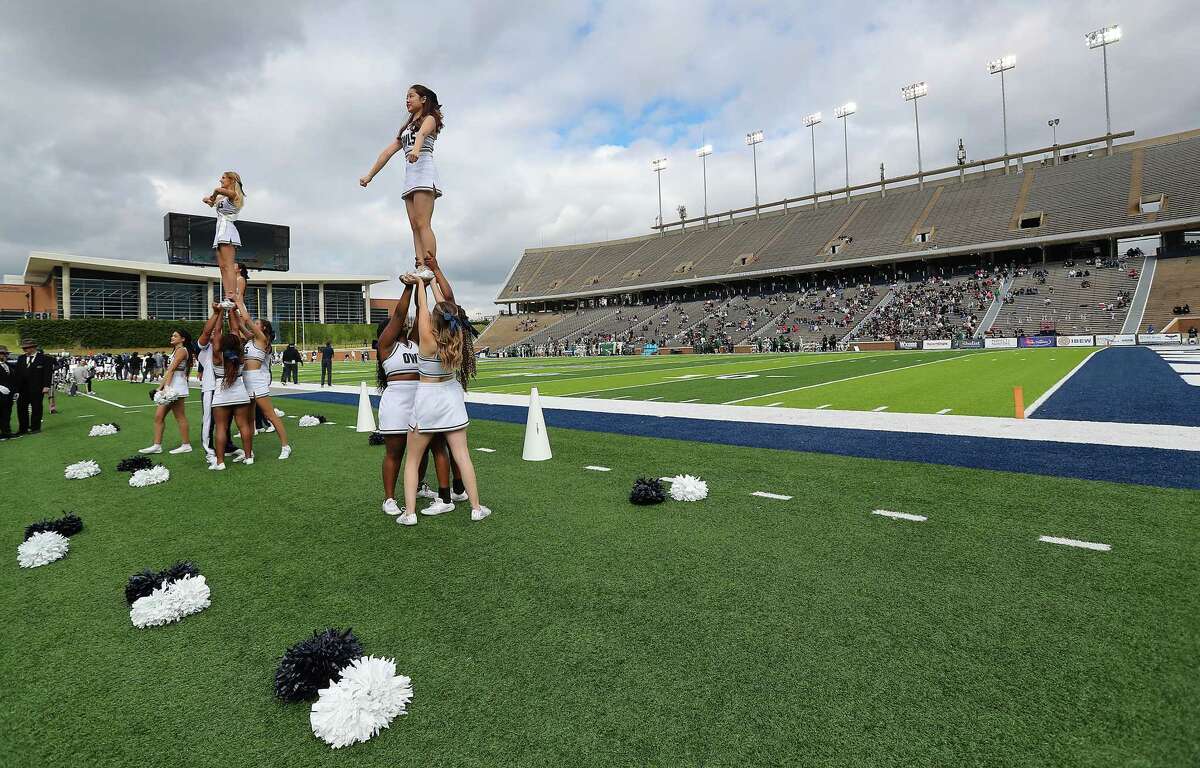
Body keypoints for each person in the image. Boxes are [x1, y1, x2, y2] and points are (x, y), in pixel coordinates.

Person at [400, 271, 490, 526]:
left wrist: (421, 284)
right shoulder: (459, 334)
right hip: (451, 396)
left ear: (435, 319)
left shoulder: (427, 338)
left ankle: (410, 513)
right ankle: (475, 508)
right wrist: (433, 284)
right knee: (462, 455)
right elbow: (444, 309)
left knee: (413, 460)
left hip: (427, 398)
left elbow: (423, 306)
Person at [360, 84, 444, 273]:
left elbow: (422, 133)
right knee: (414, 225)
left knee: (423, 223)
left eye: (411, 96)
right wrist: (369, 175)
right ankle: (420, 264)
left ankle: (430, 265)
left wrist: (415, 150)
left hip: (423, 171)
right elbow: (388, 152)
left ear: (423, 99)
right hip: (410, 177)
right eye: (406, 97)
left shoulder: (430, 118)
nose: (407, 100)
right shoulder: (406, 127)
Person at [375, 276, 419, 517]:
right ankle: (389, 498)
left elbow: (421, 313)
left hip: (418, 402)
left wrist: (423, 282)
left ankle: (420, 486)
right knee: (395, 452)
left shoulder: (413, 343)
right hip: (396, 404)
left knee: (419, 451)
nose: (399, 324)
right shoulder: (386, 345)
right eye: (392, 324)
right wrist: (408, 287)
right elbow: (401, 315)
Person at [231, 296, 292, 459]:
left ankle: (286, 446)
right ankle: (248, 453)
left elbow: (247, 320)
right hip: (245, 379)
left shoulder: (262, 339)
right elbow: (240, 324)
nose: (254, 325)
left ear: (263, 328)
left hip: (256, 379)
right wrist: (232, 310)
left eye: (258, 324)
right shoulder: (251, 339)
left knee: (269, 414)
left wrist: (238, 302)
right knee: (249, 418)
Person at [210, 313, 254, 471]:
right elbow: (235, 330)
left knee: (221, 428)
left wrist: (220, 312)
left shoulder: (217, 355)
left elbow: (217, 330)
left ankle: (220, 462)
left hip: (221, 395)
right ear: (237, 344)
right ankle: (248, 457)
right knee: (243, 426)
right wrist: (232, 312)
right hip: (241, 393)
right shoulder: (240, 354)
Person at [139, 329, 194, 455]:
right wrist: (161, 388)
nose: (172, 337)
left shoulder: (181, 350)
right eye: (172, 335)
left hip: (176, 387)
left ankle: (186, 445)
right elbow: (169, 371)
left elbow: (172, 370)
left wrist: (165, 388)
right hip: (171, 386)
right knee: (159, 416)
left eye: (175, 336)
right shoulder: (175, 350)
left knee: (179, 416)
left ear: (183, 339)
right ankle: (157, 445)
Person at [202, 171, 246, 306]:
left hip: (227, 230)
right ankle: (227, 296)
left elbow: (217, 191)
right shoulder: (223, 197)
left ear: (231, 180)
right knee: (222, 267)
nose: (220, 180)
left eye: (223, 178)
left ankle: (231, 296)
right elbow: (209, 201)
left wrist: (214, 194)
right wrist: (210, 199)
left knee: (228, 265)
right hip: (219, 231)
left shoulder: (234, 195)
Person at [195, 304, 223, 462]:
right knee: (209, 420)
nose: (213, 332)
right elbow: (207, 332)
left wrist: (223, 314)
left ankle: (227, 446)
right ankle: (209, 449)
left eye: (215, 331)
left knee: (225, 419)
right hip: (210, 387)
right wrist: (216, 313)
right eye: (210, 331)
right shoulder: (202, 347)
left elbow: (218, 331)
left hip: (224, 387)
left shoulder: (221, 344)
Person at [14, 339, 50, 435]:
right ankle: (23, 428)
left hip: (37, 388)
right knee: (21, 408)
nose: (24, 350)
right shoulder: (21, 358)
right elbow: (17, 374)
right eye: (23, 348)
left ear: (33, 347)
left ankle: (35, 428)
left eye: (26, 348)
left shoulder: (44, 358)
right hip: (22, 389)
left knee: (36, 408)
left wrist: (46, 386)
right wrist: (16, 388)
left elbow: (47, 373)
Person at [0, 345, 16, 440]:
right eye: (2, 354)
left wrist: (15, 391)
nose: (5, 355)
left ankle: (6, 432)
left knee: (7, 414)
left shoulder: (8, 365)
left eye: (6, 354)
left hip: (8, 395)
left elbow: (12, 380)